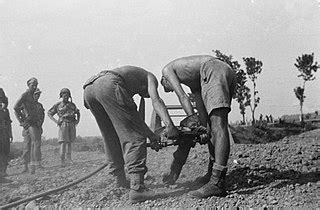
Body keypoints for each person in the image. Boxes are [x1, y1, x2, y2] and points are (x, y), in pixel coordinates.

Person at [83, 66, 179, 203]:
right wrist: (169, 125)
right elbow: (156, 101)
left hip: (90, 88)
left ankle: (120, 180)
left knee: (111, 136)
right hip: (108, 84)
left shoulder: (131, 81)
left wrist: (151, 136)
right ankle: (137, 189)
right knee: (135, 138)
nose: (144, 96)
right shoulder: (150, 77)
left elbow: (133, 117)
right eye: (146, 94)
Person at [160, 55, 236, 198]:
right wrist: (201, 127)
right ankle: (212, 174)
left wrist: (191, 119)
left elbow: (182, 96)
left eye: (167, 88)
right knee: (213, 128)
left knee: (218, 125)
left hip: (213, 69)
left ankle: (217, 183)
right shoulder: (194, 81)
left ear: (164, 80)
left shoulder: (167, 70)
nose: (170, 90)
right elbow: (202, 117)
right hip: (224, 71)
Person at [14, 78, 42, 174]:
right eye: (32, 85)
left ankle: (33, 166)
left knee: (36, 144)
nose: (34, 87)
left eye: (36, 85)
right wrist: (23, 120)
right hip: (29, 123)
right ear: (28, 85)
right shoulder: (25, 95)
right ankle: (29, 166)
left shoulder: (32, 97)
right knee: (32, 144)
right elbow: (15, 107)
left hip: (35, 122)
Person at [48, 88, 80, 167]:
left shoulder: (72, 105)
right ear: (61, 95)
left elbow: (78, 112)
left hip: (71, 123)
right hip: (63, 124)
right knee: (63, 142)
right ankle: (62, 161)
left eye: (67, 94)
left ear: (69, 96)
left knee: (69, 142)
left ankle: (69, 159)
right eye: (63, 94)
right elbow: (49, 113)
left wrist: (77, 121)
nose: (65, 96)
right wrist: (56, 121)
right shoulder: (58, 105)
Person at [0, 89, 13, 182]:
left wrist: (10, 134)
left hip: (4, 133)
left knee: (5, 151)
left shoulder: (5, 110)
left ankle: (3, 171)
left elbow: (8, 122)